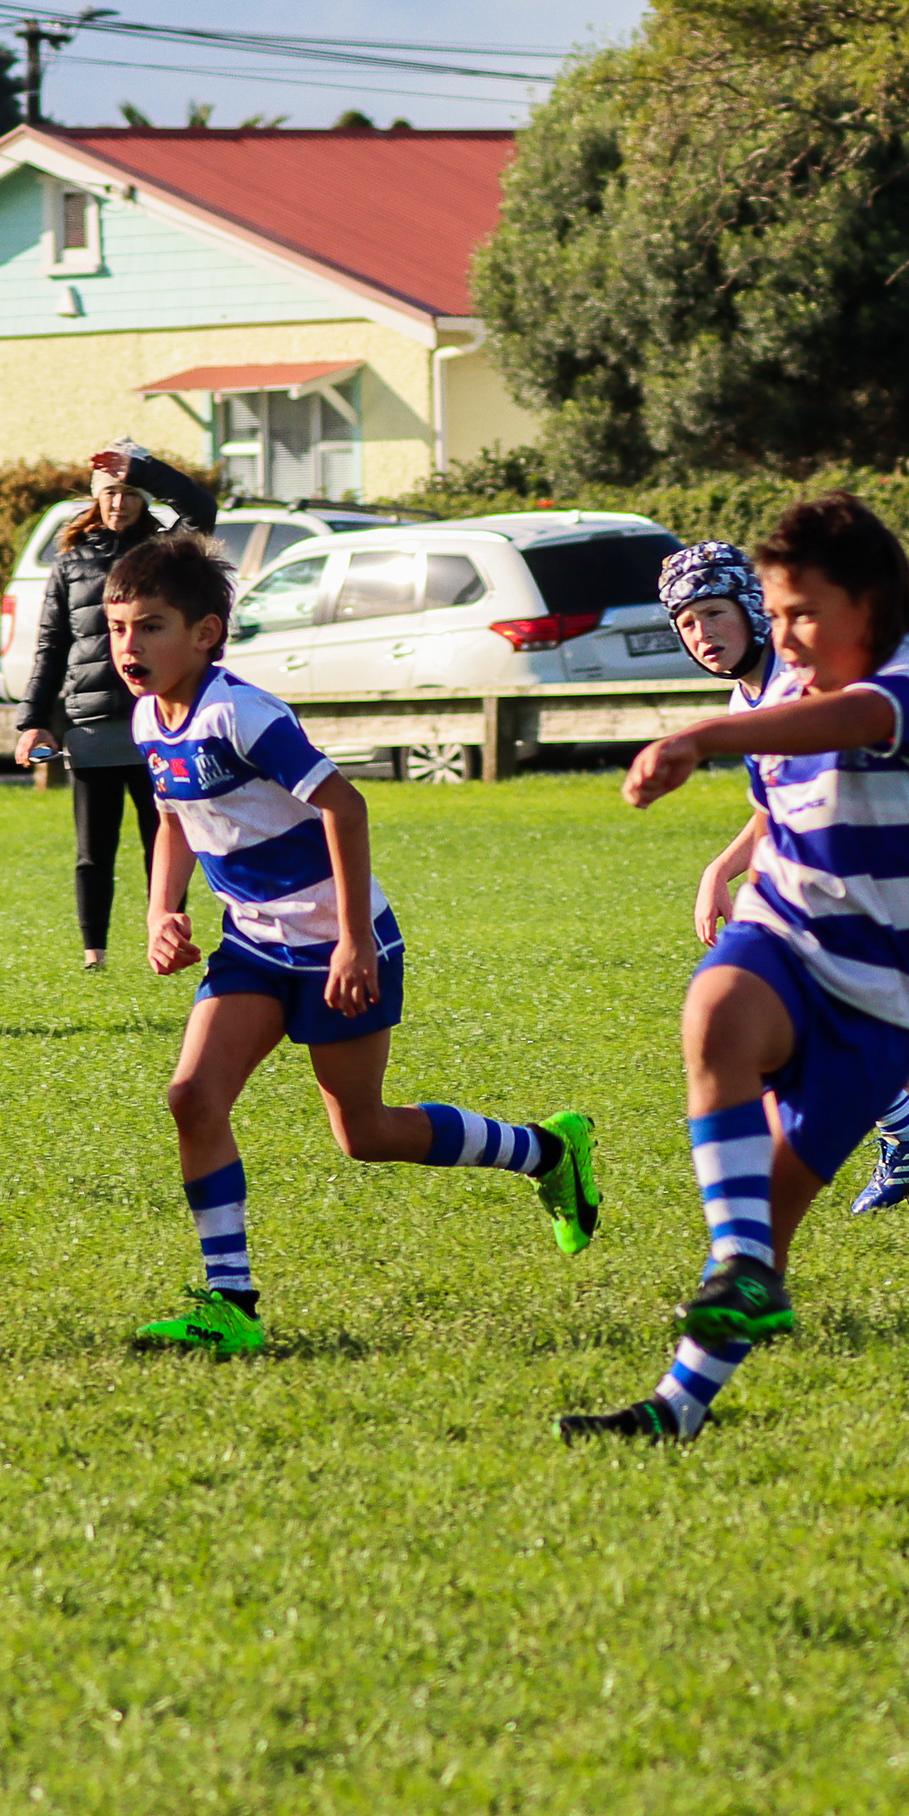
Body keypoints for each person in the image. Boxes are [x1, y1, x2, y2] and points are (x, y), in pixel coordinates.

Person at [110, 532, 598, 1359]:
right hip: (253, 948)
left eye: (150, 627)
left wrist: (354, 942)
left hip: (339, 947)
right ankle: (231, 1305)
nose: (130, 645)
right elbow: (173, 819)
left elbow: (346, 806)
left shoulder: (241, 714)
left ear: (205, 633)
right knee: (192, 1097)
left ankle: (548, 1149)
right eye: (119, 627)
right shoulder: (147, 717)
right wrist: (162, 910)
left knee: (363, 1133)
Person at [559, 495, 909, 1444]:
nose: (784, 635)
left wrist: (703, 739)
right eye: (776, 614)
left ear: (869, 604)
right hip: (786, 932)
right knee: (715, 1007)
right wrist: (724, 858)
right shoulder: (784, 688)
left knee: (769, 1221)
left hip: (882, 994)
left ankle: (679, 1406)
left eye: (803, 614)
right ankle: (740, 1276)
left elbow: (856, 720)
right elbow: (790, 773)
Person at [655, 539, 909, 1216]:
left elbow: (903, 732)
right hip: (830, 878)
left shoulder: (805, 677)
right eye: (686, 622)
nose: (702, 633)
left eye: (714, 612)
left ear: (753, 608)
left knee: (797, 1019)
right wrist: (721, 868)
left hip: (877, 874)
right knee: (840, 1024)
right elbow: (778, 805)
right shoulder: (748, 699)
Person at [13, 439, 217, 968]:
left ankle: (167, 941)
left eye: (129, 493)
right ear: (95, 499)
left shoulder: (166, 555)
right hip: (91, 727)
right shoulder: (70, 564)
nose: (119, 503)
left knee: (164, 841)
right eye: (109, 493)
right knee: (92, 852)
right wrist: (34, 722)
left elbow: (203, 509)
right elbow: (51, 647)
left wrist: (146, 470)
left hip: (158, 721)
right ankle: (94, 955)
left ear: (143, 498)